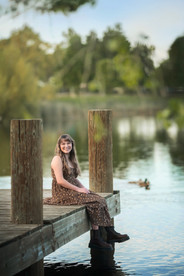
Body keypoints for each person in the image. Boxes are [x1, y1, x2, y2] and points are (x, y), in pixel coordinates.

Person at [43, 134, 130, 250]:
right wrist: (78, 189)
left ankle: (109, 232)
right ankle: (96, 238)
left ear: (72, 144)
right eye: (63, 144)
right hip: (62, 193)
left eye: (68, 143)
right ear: (59, 146)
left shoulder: (71, 158)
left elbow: (74, 179)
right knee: (95, 202)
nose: (66, 146)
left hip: (72, 190)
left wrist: (84, 188)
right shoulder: (57, 159)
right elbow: (60, 181)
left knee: (100, 199)